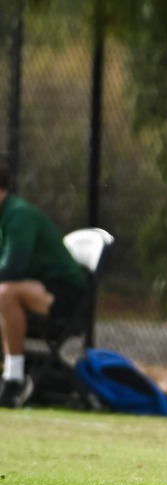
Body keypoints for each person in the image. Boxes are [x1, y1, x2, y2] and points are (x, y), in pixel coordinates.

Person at [0, 161, 90, 409]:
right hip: (36, 291)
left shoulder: (19, 215)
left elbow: (13, 269)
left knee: (4, 293)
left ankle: (13, 380)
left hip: (66, 297)